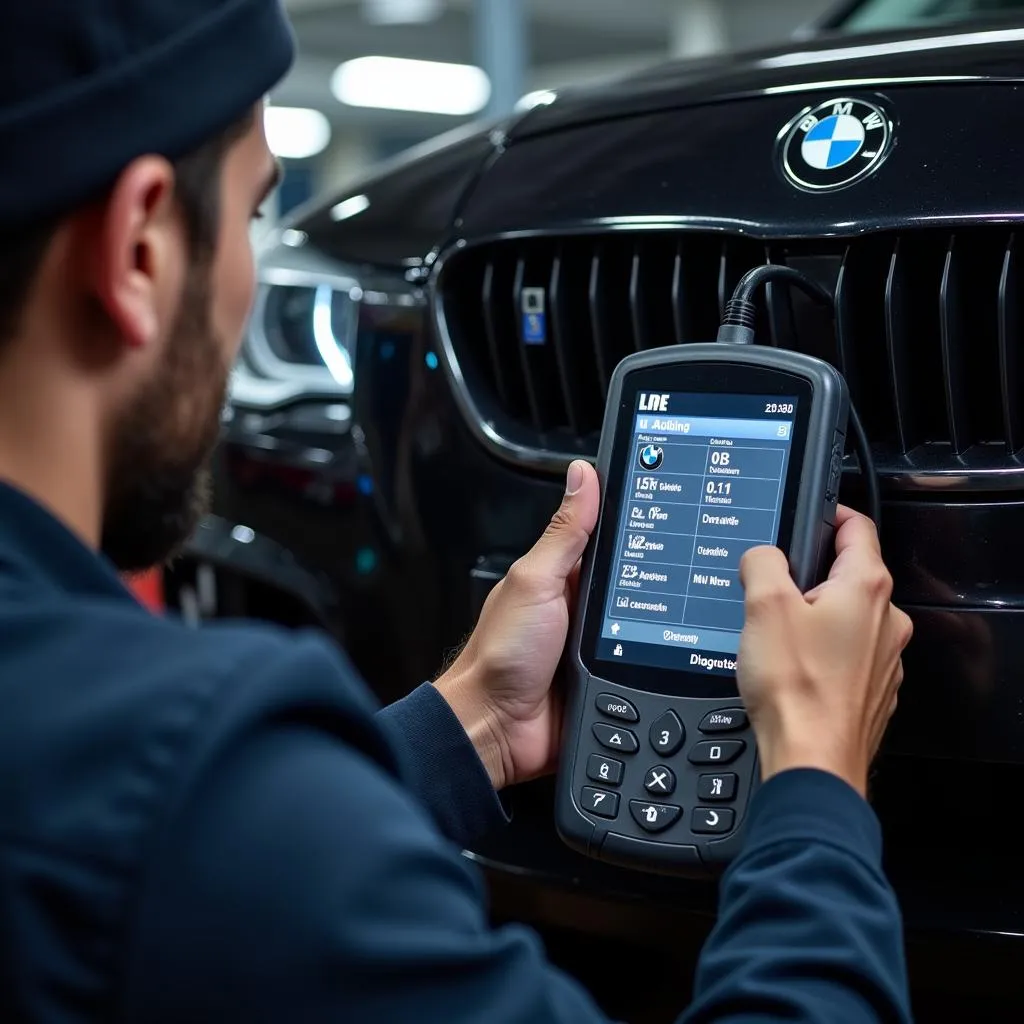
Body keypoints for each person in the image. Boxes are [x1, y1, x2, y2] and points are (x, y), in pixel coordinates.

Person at [0, 2, 914, 1021]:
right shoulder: (183, 782)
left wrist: (474, 716)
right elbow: (206, 842)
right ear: (139, 252)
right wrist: (818, 790)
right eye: (256, 215)